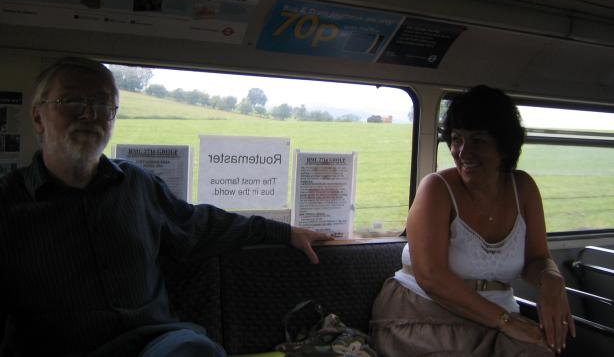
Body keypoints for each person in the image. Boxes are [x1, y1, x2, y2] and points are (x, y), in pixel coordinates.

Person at [0, 57, 333, 357]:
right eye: (72, 101)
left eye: (103, 104)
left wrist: (284, 232)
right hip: (60, 348)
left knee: (195, 349)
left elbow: (200, 224)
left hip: (155, 344)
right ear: (37, 116)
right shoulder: (8, 202)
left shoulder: (137, 185)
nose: (89, 115)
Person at [370, 85, 575, 357]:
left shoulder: (523, 188)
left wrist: (551, 278)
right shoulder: (436, 188)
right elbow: (431, 278)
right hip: (423, 312)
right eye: (457, 139)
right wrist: (506, 322)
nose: (463, 152)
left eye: (478, 140)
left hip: (496, 315)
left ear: (503, 146)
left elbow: (537, 258)